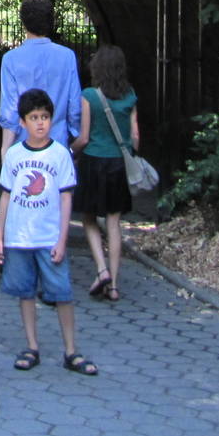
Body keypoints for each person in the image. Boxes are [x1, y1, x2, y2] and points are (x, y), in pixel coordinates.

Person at [0, 88, 95, 375]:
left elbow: (66, 198)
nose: (40, 123)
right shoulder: (14, 155)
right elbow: (5, 196)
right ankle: (31, 345)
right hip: (19, 237)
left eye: (45, 117)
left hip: (49, 236)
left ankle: (71, 350)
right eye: (34, 117)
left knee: (61, 293)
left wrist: (62, 239)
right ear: (22, 123)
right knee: (25, 292)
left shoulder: (59, 154)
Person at [71, 44, 140, 302]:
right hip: (118, 164)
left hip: (93, 161)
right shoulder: (130, 95)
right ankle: (114, 285)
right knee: (113, 222)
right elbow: (134, 137)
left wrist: (70, 150)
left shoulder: (89, 95)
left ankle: (101, 270)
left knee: (89, 218)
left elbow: (84, 137)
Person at [0, 0, 83, 160]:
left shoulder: (11, 59)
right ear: (50, 22)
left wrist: (5, 150)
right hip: (58, 146)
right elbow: (75, 106)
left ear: (23, 22)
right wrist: (75, 137)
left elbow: (10, 110)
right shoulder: (67, 57)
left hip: (23, 147)